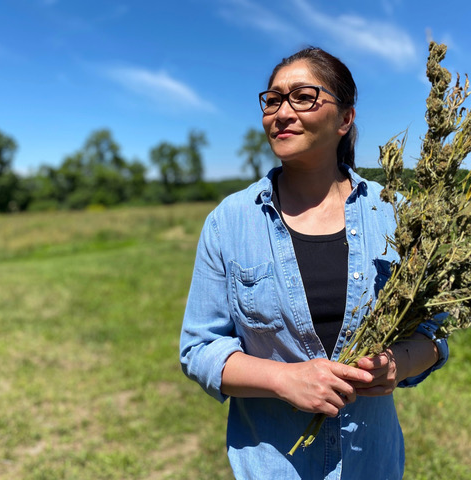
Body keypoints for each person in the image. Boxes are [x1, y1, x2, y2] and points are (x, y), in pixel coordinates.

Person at [179, 47, 448, 480]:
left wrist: (401, 363)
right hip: (271, 466)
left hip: (372, 465)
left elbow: (434, 335)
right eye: (272, 100)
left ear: (345, 119)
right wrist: (284, 380)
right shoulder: (230, 221)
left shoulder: (397, 215)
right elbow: (199, 349)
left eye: (303, 96)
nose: (282, 112)